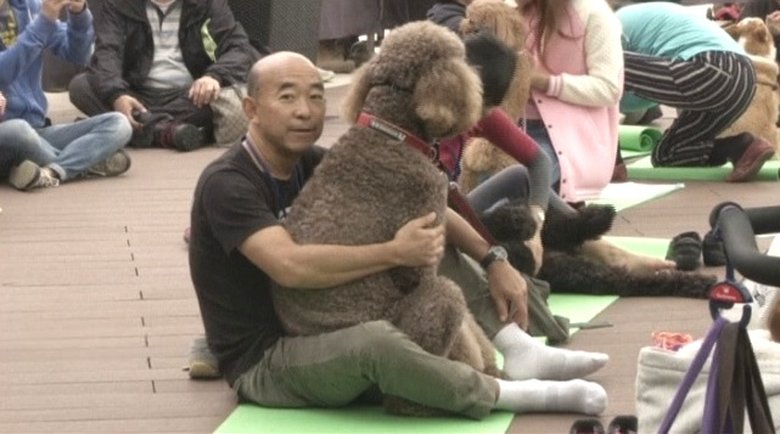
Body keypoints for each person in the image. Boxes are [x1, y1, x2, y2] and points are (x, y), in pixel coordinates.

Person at [189, 51, 611, 418]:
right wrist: (394, 252)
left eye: (316, 96)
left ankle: (515, 346)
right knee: (375, 343)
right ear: (251, 109)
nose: (305, 110)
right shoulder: (229, 183)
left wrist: (493, 259)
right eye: (287, 97)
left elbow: (431, 208)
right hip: (268, 359)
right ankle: (509, 394)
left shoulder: (314, 162)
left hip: (322, 323)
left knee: (428, 238)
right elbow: (289, 266)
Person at [67, 0, 260, 152]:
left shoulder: (208, 3)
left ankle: (137, 128)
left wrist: (214, 76)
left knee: (218, 102)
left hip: (191, 96)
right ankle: (165, 131)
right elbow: (107, 52)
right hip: (135, 93)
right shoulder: (119, 4)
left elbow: (238, 47)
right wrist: (117, 95)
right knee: (81, 87)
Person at [617, 2, 775, 182]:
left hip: (713, 67)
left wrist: (613, 159)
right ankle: (741, 147)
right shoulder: (638, 23)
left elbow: (610, 86)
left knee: (613, 65)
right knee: (667, 154)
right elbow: (651, 90)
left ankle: (613, 163)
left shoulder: (610, 27)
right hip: (745, 77)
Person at [0, 0, 132, 191]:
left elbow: (77, 55)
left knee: (118, 123)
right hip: (7, 132)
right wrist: (44, 23)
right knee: (18, 130)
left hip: (38, 130)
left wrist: (78, 14)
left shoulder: (29, 7)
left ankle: (51, 172)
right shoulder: (40, 17)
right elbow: (3, 73)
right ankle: (88, 164)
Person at [516, 0, 623, 204]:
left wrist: (546, 83)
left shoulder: (592, 13)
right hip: (514, 124)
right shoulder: (513, 11)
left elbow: (609, 88)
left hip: (564, 137)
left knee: (520, 185)